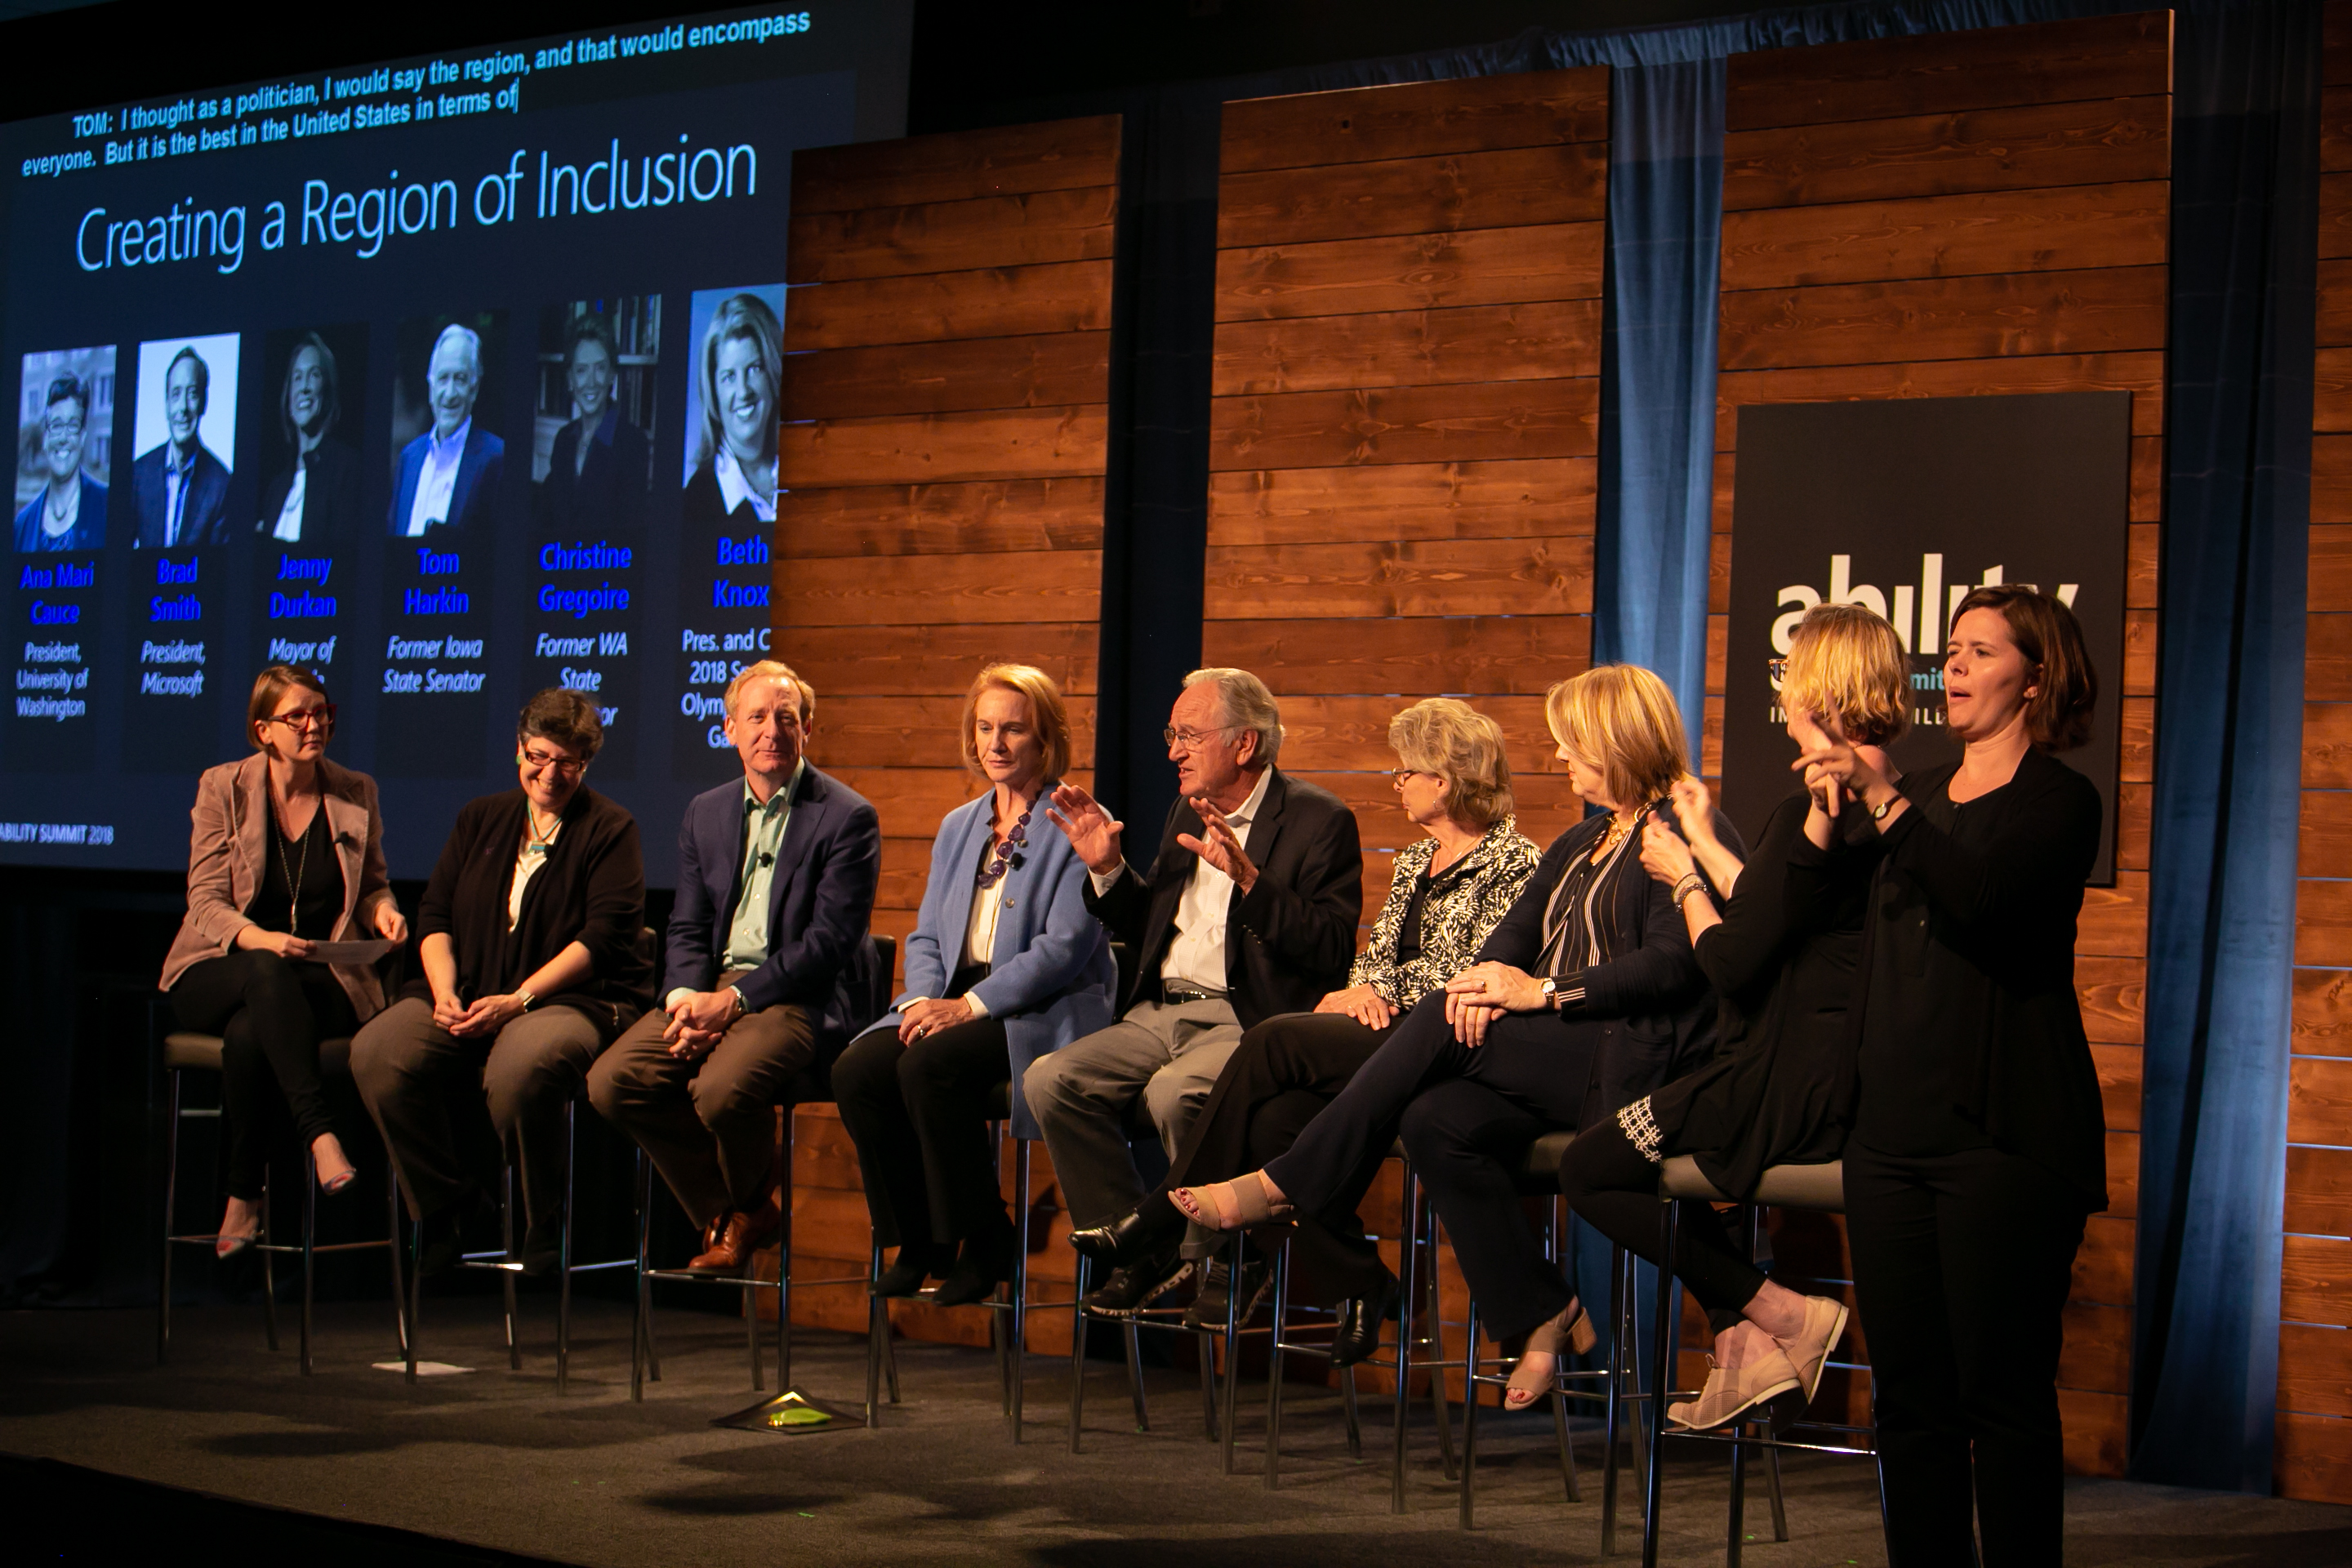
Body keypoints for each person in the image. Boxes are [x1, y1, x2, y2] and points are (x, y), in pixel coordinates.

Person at [1169, 666, 1764, 1410]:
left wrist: (1537, 991)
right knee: (1433, 1119)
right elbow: (1511, 938)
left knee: (1424, 1017)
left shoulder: (1680, 829)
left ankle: (1284, 1183)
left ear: (1614, 743)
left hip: (1633, 1060)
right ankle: (1539, 1309)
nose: (1558, 761)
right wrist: (1486, 983)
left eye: (1571, 744)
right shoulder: (1583, 839)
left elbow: (1675, 966)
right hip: (1558, 1051)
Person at [1791, 584, 2105, 1566]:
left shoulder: (2060, 801)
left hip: (2002, 1140)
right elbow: (1813, 922)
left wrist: (1883, 799)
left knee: (2000, 1397)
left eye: (1979, 652)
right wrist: (1826, 808)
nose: (1953, 669)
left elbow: (1988, 902)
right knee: (1910, 1399)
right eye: (1951, 651)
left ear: (2036, 677)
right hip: (1889, 1141)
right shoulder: (1916, 796)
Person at [1071, 698, 1540, 1345]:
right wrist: (1364, 989)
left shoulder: (1517, 864)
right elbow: (1371, 958)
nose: (1397, 783)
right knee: (1273, 1123)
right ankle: (1362, 1282)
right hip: (1386, 1031)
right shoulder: (1413, 861)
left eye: (1407, 772)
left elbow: (1470, 974)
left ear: (1447, 776)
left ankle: (1156, 1221)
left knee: (1273, 1039)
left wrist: (1372, 993)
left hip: (1448, 1047)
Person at [1555, 604, 1908, 1431]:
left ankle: (1780, 1313)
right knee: (1626, 1156)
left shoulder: (1826, 811)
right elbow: (1779, 912)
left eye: (1790, 679)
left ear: (1822, 687)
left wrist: (1682, 877)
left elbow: (1733, 962)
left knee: (1593, 1167)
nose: (1780, 693)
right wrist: (1707, 840)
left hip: (1785, 1079)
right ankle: (1748, 1331)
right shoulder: (1874, 807)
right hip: (1816, 1070)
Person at [1029, 667, 1362, 1313]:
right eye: (1171, 734)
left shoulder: (1320, 820)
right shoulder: (1186, 807)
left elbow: (1329, 949)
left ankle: (1218, 1262)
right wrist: (1106, 869)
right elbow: (1153, 924)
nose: (1172, 750)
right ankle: (1142, 1248)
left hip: (1245, 1018)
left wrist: (1251, 883)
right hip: (1158, 1011)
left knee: (1176, 1093)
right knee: (1050, 1080)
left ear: (1245, 744)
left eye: (1188, 734)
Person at [833, 665, 1116, 1304]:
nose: (996, 743)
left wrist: (967, 1006)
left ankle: (983, 1236)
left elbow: (1065, 949)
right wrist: (925, 1001)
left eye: (1013, 730)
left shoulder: (1077, 819)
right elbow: (928, 935)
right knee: (858, 1069)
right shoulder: (961, 824)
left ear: (1045, 740)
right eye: (985, 728)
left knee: (926, 1069)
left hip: (1038, 1007)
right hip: (953, 997)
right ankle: (919, 1239)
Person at [587, 662, 881, 1272]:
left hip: (797, 996)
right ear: (729, 730)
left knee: (719, 1091)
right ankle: (739, 1209)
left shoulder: (848, 816)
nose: (771, 730)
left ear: (808, 729)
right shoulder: (705, 811)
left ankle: (740, 1212)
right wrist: (683, 999)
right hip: (711, 991)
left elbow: (829, 942)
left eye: (786, 718)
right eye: (756, 717)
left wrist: (735, 1001)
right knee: (613, 1082)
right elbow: (688, 925)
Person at [352, 690, 651, 1277]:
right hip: (466, 991)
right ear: (519, 751)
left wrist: (518, 1000)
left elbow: (601, 940)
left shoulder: (611, 828)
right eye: (539, 756)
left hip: (567, 999)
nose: (550, 773)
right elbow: (434, 916)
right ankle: (446, 1203)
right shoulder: (481, 817)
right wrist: (443, 994)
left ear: (585, 764)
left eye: (567, 761)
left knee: (519, 1069)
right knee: (378, 1054)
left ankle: (543, 1220)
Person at [158, 667, 408, 1254]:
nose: (314, 725)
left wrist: (383, 912)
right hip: (219, 966)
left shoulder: (355, 791)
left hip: (314, 978)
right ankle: (320, 1134)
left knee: (252, 1035)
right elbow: (205, 900)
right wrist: (260, 939)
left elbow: (373, 884)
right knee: (265, 974)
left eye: (322, 712)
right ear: (263, 729)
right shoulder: (224, 787)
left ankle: (244, 1194)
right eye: (297, 716)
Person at [537, 314, 650, 535]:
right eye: (581, 371)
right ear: (570, 380)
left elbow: (629, 537)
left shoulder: (633, 443)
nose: (590, 383)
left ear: (612, 376)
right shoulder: (563, 439)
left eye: (599, 369)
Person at [390, 324, 504, 537]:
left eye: (460, 379)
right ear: (431, 386)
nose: (450, 393)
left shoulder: (497, 457)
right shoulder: (408, 458)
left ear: (474, 388)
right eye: (443, 379)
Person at [681, 293, 780, 529]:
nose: (743, 391)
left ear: (773, 374)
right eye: (729, 377)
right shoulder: (694, 502)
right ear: (714, 392)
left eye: (755, 369)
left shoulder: (809, 470)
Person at [257, 334, 362, 544]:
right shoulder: (277, 487)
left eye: (314, 375)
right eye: (297, 377)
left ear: (328, 390)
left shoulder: (347, 469)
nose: (304, 387)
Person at [131, 346, 231, 549]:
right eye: (176, 394)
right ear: (166, 404)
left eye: (192, 394)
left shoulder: (223, 485)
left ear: (204, 403)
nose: (183, 408)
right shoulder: (138, 473)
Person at [12, 375, 108, 552]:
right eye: (56, 425)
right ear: (45, 437)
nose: (63, 438)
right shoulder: (22, 524)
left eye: (72, 425)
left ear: (83, 436)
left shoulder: (107, 507)